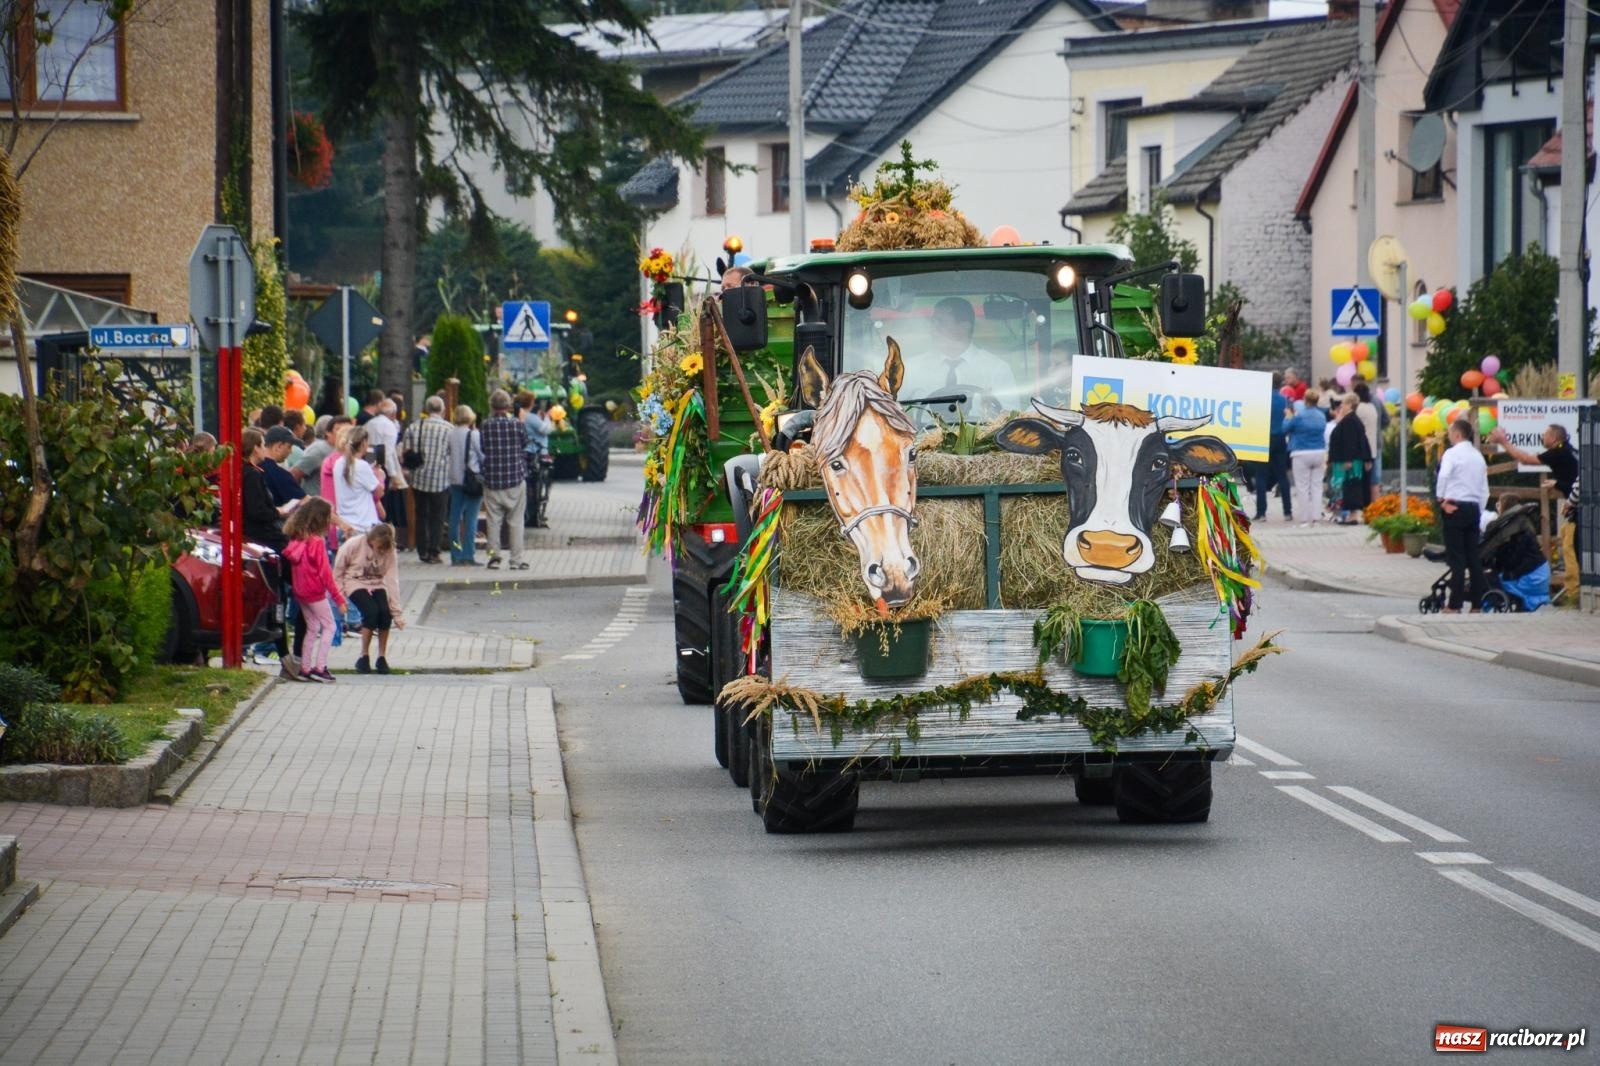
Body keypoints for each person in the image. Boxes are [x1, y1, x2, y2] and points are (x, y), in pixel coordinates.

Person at [1487, 422, 1580, 603]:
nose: (1542, 436)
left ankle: (1574, 594)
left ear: (1554, 438)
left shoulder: (1557, 452)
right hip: (1576, 505)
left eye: (1545, 434)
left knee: (1570, 549)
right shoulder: (1568, 450)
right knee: (1568, 541)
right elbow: (1574, 477)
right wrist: (1559, 484)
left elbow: (1526, 459)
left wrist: (1504, 441)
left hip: (1577, 507)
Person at [901, 297, 1017, 412]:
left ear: (964, 327)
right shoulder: (911, 368)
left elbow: (1012, 418)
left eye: (940, 322)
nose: (932, 329)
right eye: (932, 322)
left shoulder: (996, 369)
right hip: (925, 425)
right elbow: (890, 409)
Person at [282, 498, 346, 683]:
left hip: (300, 591)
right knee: (330, 626)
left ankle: (305, 667)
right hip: (315, 592)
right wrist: (339, 599)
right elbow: (325, 573)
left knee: (312, 628)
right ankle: (320, 667)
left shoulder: (297, 539)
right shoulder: (317, 542)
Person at [335, 522, 407, 674]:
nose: (380, 551)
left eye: (383, 549)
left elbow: (392, 579)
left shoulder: (390, 550)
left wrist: (396, 612)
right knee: (371, 612)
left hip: (377, 582)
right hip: (354, 580)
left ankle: (381, 656)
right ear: (372, 540)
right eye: (378, 547)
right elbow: (338, 571)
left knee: (385, 614)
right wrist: (340, 596)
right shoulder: (354, 545)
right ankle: (364, 655)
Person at [1436, 418, 1490, 613]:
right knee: (1473, 558)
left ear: (1458, 434)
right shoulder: (1478, 456)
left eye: (1451, 433)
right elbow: (1485, 489)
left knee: (1457, 558)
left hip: (1455, 507)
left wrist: (1441, 500)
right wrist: (1479, 510)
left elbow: (1443, 475)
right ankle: (1477, 604)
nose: (1449, 436)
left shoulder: (1451, 454)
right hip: (1473, 508)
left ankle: (1454, 604)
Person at [480, 389, 529, 570]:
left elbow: (483, 448)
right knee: (516, 521)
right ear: (508, 406)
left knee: (493, 521)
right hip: (515, 479)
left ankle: (494, 557)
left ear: (492, 406)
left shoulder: (485, 426)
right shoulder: (516, 424)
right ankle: (516, 560)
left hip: (492, 480)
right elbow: (525, 443)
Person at [403, 395, 454, 563]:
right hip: (441, 478)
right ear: (442, 409)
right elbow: (452, 453)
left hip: (419, 477)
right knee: (438, 516)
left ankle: (422, 550)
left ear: (426, 409)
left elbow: (406, 452)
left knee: (421, 514)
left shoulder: (414, 427)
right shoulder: (449, 429)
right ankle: (434, 550)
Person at [1249, 373, 1292, 521]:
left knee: (1261, 476)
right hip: (1280, 437)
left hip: (1264, 438)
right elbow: (1288, 418)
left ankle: (1261, 513)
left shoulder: (1262, 399)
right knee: (1282, 476)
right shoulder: (1285, 400)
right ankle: (1287, 511)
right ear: (1281, 384)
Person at [1284, 388, 1330, 526]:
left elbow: (1285, 428)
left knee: (1302, 487)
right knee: (1317, 486)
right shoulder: (1321, 416)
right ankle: (1316, 517)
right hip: (1319, 451)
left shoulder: (1299, 415)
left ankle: (1304, 519)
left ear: (1305, 400)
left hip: (1301, 452)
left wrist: (1287, 417)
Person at [366, 399, 408, 547]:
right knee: (387, 507)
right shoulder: (390, 426)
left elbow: (369, 449)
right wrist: (394, 475)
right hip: (384, 469)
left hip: (371, 465)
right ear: (393, 413)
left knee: (376, 503)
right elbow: (388, 453)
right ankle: (386, 539)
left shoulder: (369, 424)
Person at [447, 404, 484, 566]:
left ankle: (455, 554)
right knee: (471, 518)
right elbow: (482, 456)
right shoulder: (474, 434)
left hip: (455, 480)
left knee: (454, 519)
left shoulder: (450, 433)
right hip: (472, 480)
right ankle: (468, 554)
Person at [1327, 395, 1373, 523]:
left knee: (1350, 486)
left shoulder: (1350, 421)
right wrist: (1367, 458)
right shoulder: (1351, 419)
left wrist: (1348, 459)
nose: (1341, 406)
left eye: (1344, 403)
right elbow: (1363, 440)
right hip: (1351, 459)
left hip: (1348, 461)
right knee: (1350, 486)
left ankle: (1352, 515)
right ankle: (1348, 514)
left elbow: (1350, 442)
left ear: (1350, 405)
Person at [332, 426, 384, 534]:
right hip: (362, 526)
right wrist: (380, 477)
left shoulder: (338, 463)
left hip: (344, 525)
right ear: (363, 443)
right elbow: (379, 493)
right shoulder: (362, 466)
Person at [521, 392, 555, 529]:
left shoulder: (523, 416)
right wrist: (547, 417)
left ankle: (532, 513)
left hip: (528, 452)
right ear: (530, 403)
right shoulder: (530, 417)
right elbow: (546, 429)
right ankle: (533, 514)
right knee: (538, 483)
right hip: (536, 452)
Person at [260, 426, 307, 507]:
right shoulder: (280, 475)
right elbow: (305, 502)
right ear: (279, 446)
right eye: (289, 447)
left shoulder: (251, 468)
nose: (291, 452)